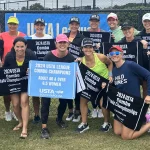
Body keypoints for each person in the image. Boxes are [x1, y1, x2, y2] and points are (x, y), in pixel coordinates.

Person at [109, 45, 150, 140]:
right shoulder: (114, 71)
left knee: (126, 136)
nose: (114, 55)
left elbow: (148, 75)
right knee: (117, 131)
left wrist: (149, 94)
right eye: (112, 53)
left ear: (122, 54)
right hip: (122, 105)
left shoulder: (130, 65)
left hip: (133, 105)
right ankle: (144, 118)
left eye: (117, 53)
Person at [40, 34, 75, 139]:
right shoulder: (48, 56)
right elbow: (42, 71)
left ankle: (59, 119)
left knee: (64, 101)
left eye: (64, 42)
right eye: (60, 42)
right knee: (45, 102)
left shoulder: (70, 57)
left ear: (68, 44)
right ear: (56, 44)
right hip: (49, 83)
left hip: (62, 84)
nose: (62, 44)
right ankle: (44, 127)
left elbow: (72, 74)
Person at [76, 38, 113, 133]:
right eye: (85, 47)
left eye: (90, 47)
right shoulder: (81, 61)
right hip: (90, 85)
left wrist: (110, 75)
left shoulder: (101, 57)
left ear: (93, 48)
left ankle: (107, 123)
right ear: (82, 49)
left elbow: (110, 63)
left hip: (103, 85)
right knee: (83, 100)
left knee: (102, 103)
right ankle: (84, 123)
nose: (88, 49)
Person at [3, 37, 37, 138]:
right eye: (17, 47)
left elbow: (37, 68)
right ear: (14, 46)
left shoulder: (31, 55)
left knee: (24, 102)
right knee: (15, 104)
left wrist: (32, 71)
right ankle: (21, 122)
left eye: (22, 46)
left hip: (26, 82)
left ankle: (24, 128)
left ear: (26, 46)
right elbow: (4, 71)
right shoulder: (9, 56)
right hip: (14, 83)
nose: (20, 49)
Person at [0, 16, 26, 121]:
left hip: (19, 66)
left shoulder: (23, 36)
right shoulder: (2, 35)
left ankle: (17, 112)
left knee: (18, 90)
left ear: (17, 25)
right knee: (6, 92)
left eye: (14, 24)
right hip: (5, 66)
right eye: (10, 24)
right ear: (7, 25)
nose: (12, 26)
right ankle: (7, 111)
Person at [31, 18, 53, 124]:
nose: (39, 27)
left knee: (46, 94)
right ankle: (36, 115)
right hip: (35, 70)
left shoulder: (49, 38)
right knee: (35, 94)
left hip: (47, 70)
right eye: (37, 25)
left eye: (41, 25)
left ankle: (45, 114)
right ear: (34, 26)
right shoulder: (30, 38)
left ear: (44, 26)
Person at [118, 20, 148, 99]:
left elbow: (145, 60)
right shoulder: (120, 43)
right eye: (124, 29)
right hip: (126, 72)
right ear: (122, 31)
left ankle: (146, 107)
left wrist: (145, 49)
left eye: (129, 28)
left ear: (133, 29)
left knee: (145, 82)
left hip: (139, 69)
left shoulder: (140, 41)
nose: (127, 31)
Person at [65, 16, 84, 122]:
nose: (74, 26)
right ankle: (70, 110)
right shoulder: (64, 36)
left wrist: (81, 58)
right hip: (65, 67)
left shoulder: (82, 37)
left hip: (77, 67)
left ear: (78, 26)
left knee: (77, 90)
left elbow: (85, 52)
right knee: (67, 89)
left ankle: (77, 111)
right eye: (72, 24)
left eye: (76, 24)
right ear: (69, 25)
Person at [87, 14, 105, 118]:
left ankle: (101, 108)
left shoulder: (104, 33)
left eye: (96, 21)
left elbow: (108, 47)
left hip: (100, 63)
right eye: (92, 21)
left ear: (99, 22)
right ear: (89, 22)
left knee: (101, 85)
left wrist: (109, 39)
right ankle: (94, 108)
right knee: (91, 85)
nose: (94, 23)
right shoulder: (85, 34)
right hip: (89, 63)